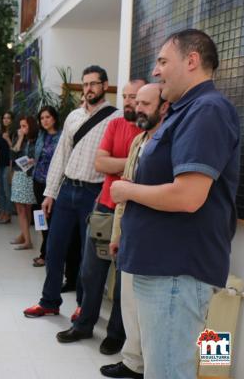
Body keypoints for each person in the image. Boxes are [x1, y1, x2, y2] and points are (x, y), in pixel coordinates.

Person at [111, 29, 239, 379]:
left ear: (192, 60)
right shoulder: (188, 111)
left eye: (163, 61)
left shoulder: (207, 110)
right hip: (164, 268)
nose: (155, 71)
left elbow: (188, 196)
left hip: (176, 272)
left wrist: (127, 191)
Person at [23, 65, 121, 319]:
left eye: (94, 84)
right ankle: (49, 301)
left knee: (86, 255)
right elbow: (60, 156)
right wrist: (50, 193)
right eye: (85, 84)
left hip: (94, 193)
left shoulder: (116, 118)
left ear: (105, 85)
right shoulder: (74, 117)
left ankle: (83, 306)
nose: (89, 88)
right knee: (54, 248)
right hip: (67, 189)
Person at [55, 79, 146, 353]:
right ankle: (84, 324)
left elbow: (144, 168)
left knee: (122, 279)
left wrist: (117, 165)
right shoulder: (115, 124)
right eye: (127, 96)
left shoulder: (153, 132)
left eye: (137, 98)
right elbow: (100, 162)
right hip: (105, 207)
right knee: (91, 271)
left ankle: (116, 334)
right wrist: (132, 162)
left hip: (134, 212)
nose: (130, 102)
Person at [100, 83, 168, 379]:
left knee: (157, 319)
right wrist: (117, 235)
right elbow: (123, 193)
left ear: (164, 106)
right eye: (135, 102)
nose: (137, 108)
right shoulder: (139, 141)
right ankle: (132, 362)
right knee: (128, 303)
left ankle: (148, 366)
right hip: (132, 236)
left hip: (162, 243)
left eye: (145, 103)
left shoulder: (170, 143)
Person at [31, 106, 61, 266]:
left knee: (51, 219)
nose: (45, 121)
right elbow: (38, 156)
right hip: (37, 181)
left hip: (53, 184)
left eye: (48, 117)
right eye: (42, 118)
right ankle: (45, 250)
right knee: (40, 218)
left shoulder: (62, 136)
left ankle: (47, 254)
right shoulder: (41, 135)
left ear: (54, 118)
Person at [9, 115, 38, 249]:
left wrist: (35, 161)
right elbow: (13, 155)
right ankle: (24, 236)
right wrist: (20, 138)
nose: (21, 129)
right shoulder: (20, 138)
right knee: (20, 207)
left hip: (31, 176)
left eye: (24, 126)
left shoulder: (37, 140)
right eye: (20, 126)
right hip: (19, 174)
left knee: (27, 208)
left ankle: (27, 240)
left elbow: (43, 157)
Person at [0, 112, 13, 224]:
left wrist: (8, 139)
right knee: (1, 190)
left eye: (8, 118)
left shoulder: (14, 133)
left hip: (8, 165)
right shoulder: (0, 133)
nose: (6, 120)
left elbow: (15, 150)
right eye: (4, 118)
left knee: (7, 190)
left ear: (12, 120)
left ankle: (7, 215)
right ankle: (2, 213)